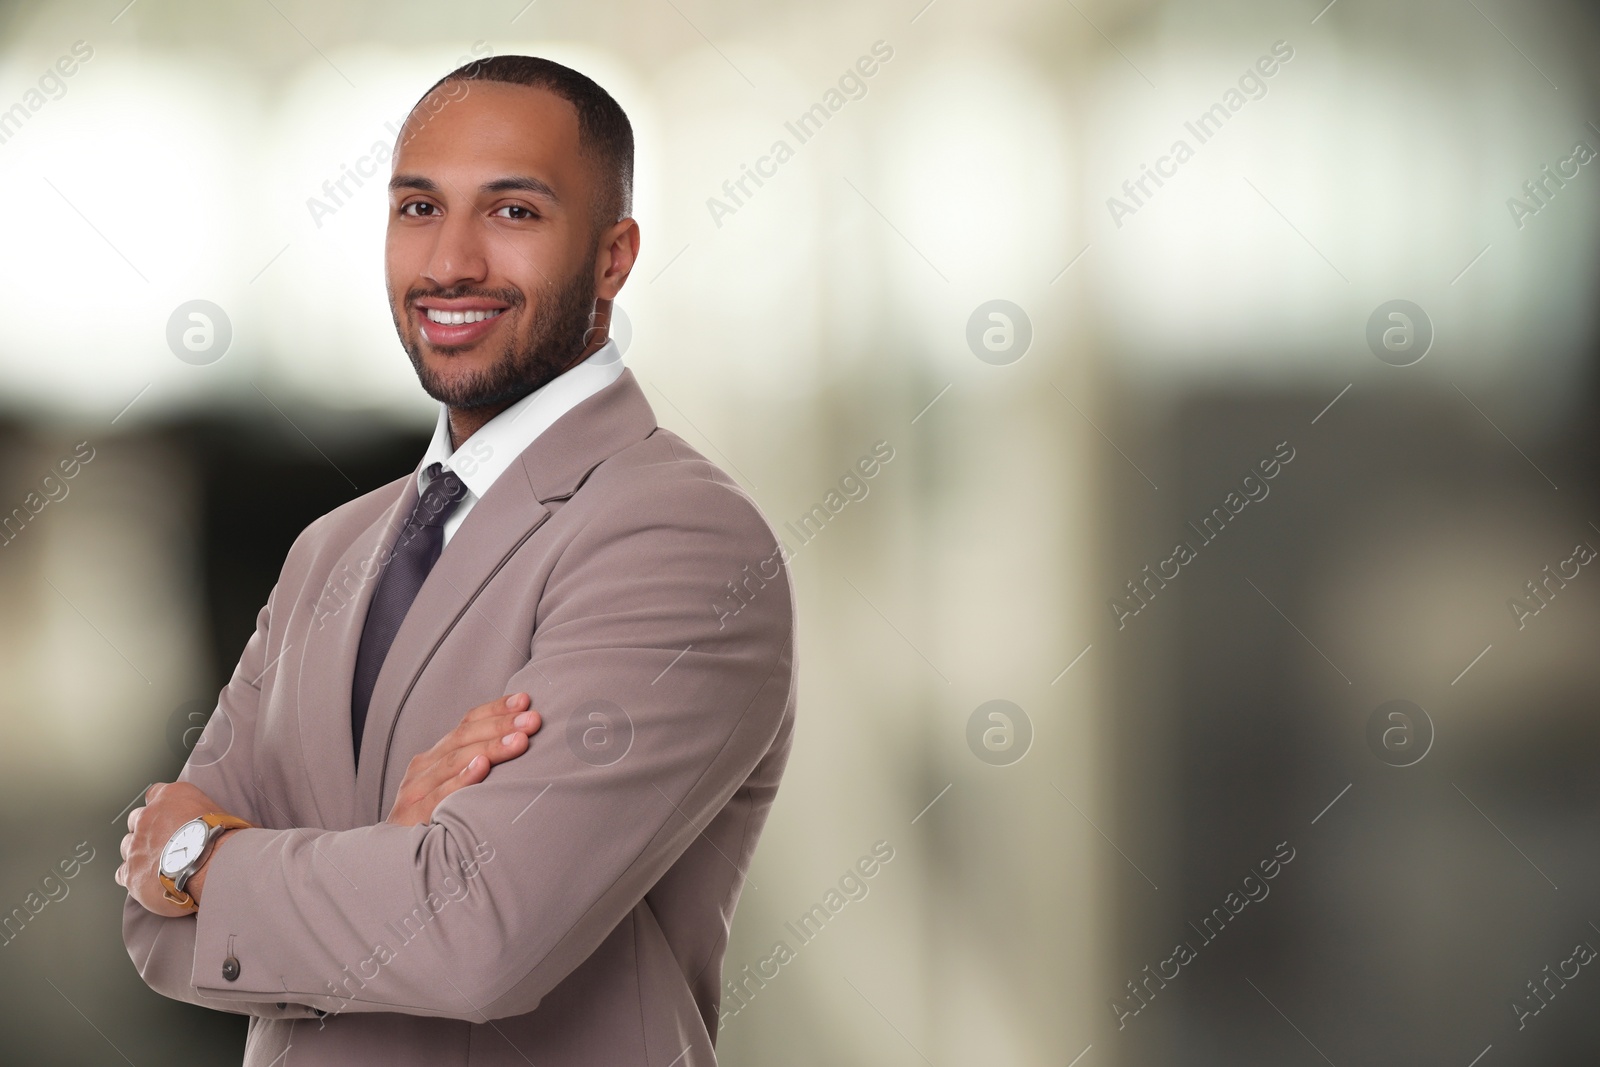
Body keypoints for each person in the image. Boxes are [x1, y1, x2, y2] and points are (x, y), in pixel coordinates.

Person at [118, 55, 796, 1066]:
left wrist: (213, 859)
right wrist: (394, 858)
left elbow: (476, 936)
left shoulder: (678, 537)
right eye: (419, 208)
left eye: (513, 213)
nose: (451, 261)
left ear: (613, 257)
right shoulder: (332, 548)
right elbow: (151, 929)